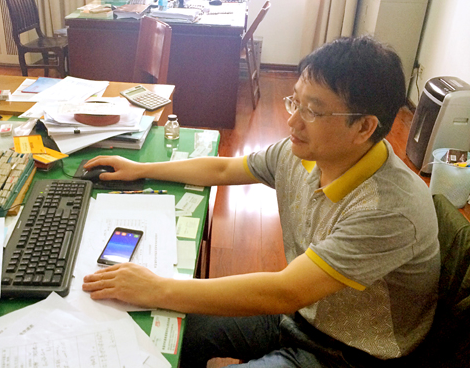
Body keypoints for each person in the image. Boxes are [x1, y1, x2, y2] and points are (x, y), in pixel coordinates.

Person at [82, 36, 440, 368]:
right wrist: (141, 168)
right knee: (172, 329)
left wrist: (157, 287)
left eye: (313, 111)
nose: (292, 121)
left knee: (167, 304)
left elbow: (286, 291)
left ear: (364, 128)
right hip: (298, 315)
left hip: (348, 353)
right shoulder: (303, 154)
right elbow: (223, 169)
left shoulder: (390, 209)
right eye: (295, 101)